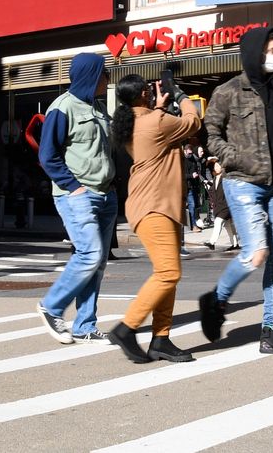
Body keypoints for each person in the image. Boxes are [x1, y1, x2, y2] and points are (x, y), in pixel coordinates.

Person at [198, 26, 273, 356]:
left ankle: (271, 330)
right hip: (243, 184)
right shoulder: (228, 92)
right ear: (253, 52)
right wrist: (234, 158)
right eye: (270, 50)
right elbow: (211, 133)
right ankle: (215, 300)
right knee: (255, 254)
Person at [105, 75, 202, 364]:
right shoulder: (156, 123)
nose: (153, 93)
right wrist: (179, 93)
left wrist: (159, 106)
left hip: (157, 204)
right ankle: (126, 328)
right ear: (143, 95)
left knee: (167, 275)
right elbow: (193, 121)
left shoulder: (140, 121)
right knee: (168, 274)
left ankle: (161, 339)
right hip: (154, 207)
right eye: (149, 90)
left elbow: (160, 124)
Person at [35, 53, 117, 345]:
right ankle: (52, 306)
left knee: (98, 263)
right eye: (104, 73)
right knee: (90, 255)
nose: (108, 78)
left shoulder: (98, 109)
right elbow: (47, 156)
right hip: (78, 195)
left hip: (106, 194)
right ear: (91, 76)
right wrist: (74, 187)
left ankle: (85, 325)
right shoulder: (63, 108)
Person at [203, 160, 240, 250]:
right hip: (219, 206)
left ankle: (212, 242)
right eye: (215, 166)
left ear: (222, 167)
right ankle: (235, 244)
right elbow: (213, 191)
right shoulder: (215, 178)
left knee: (218, 222)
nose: (216, 168)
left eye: (217, 166)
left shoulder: (226, 178)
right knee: (229, 226)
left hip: (226, 205)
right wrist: (207, 185)